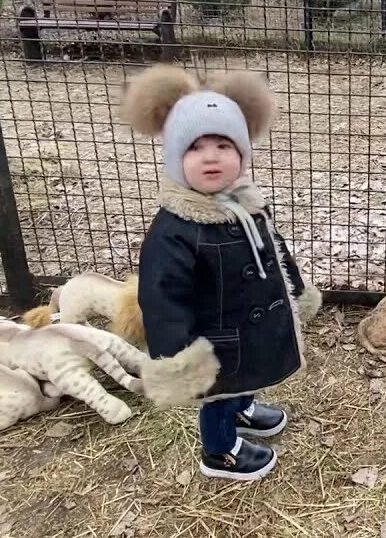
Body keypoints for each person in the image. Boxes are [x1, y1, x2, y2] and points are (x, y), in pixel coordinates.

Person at [121, 65, 318, 482]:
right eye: (195, 147)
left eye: (223, 144)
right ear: (176, 159)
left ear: (243, 154)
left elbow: (274, 252)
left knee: (247, 373)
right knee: (218, 393)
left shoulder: (245, 202)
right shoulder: (174, 228)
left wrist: (296, 290)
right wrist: (179, 357)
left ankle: (243, 405)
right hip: (214, 341)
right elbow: (162, 298)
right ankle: (220, 451)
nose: (211, 155)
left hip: (247, 327)